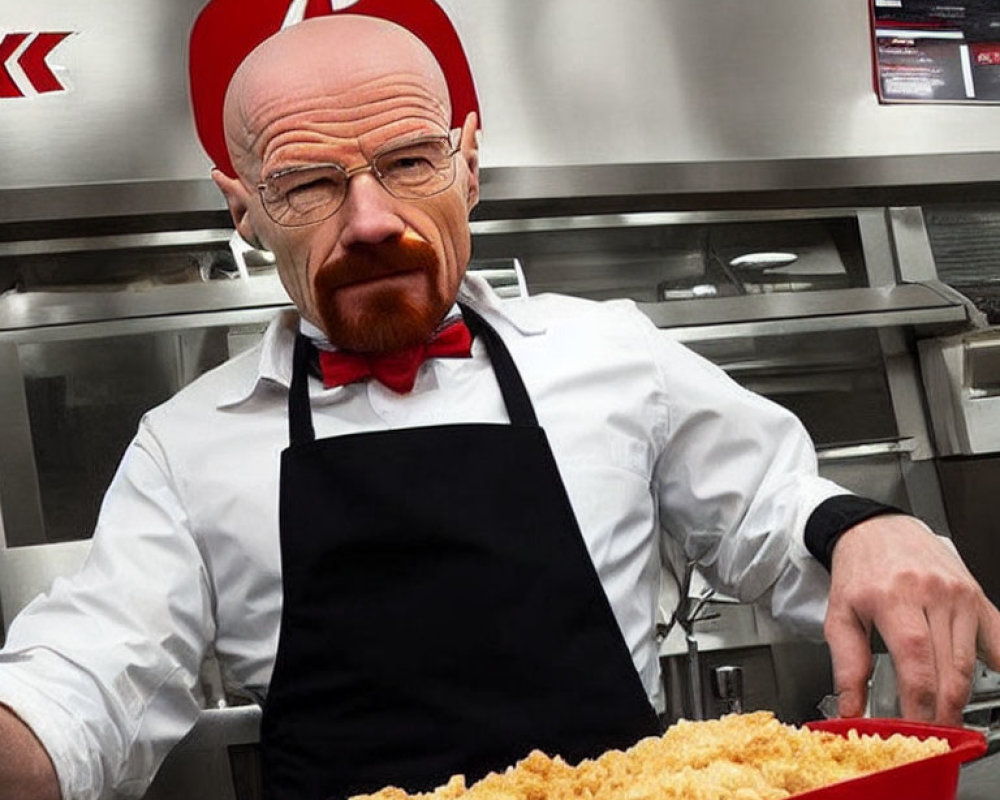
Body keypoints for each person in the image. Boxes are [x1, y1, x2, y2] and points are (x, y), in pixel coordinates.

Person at [1, 13, 998, 800]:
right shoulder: (186, 446)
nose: (370, 221)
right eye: (307, 182)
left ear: (466, 162)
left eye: (406, 161)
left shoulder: (610, 353)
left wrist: (869, 525)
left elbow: (776, 512)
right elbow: (92, 674)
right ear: (243, 209)